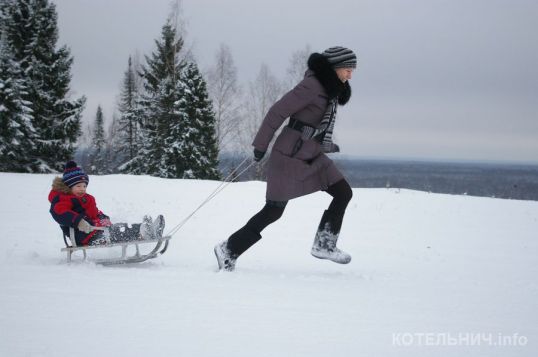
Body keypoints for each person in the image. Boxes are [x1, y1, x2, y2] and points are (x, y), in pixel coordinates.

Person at [214, 46, 357, 271]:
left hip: (312, 155)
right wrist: (261, 145)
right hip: (289, 156)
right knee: (274, 211)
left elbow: (319, 125)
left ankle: (324, 244)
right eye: (347, 69)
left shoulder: (331, 91)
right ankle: (229, 249)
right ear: (334, 67)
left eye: (352, 70)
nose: (350, 75)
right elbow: (276, 112)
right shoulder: (312, 86)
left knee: (343, 192)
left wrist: (325, 143)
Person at [48, 161, 165, 246]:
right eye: (78, 186)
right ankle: (144, 232)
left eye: (84, 186)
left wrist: (103, 218)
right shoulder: (63, 199)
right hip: (83, 236)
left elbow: (94, 213)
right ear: (69, 187)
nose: (82, 189)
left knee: (118, 227)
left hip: (95, 230)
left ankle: (145, 228)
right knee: (117, 232)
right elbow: (60, 213)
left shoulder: (86, 198)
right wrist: (79, 222)